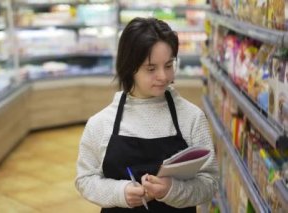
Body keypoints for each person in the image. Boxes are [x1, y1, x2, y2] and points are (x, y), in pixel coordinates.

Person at [75, 17, 219, 213]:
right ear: (129, 67)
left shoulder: (192, 118)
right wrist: (121, 192)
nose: (163, 76)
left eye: (168, 65)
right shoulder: (100, 124)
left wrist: (172, 190)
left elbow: (209, 184)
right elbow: (85, 180)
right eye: (151, 68)